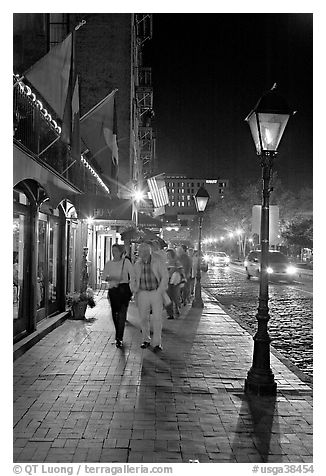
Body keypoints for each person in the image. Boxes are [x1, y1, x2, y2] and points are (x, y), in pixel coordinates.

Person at [134, 242, 169, 352]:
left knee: (157, 318)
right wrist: (134, 289)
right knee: (144, 318)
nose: (141, 254)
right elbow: (134, 278)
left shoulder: (157, 262)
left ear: (148, 252)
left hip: (155, 292)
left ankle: (157, 343)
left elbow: (164, 276)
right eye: (140, 252)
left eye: (143, 252)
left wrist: (160, 291)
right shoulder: (138, 264)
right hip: (143, 292)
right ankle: (146, 339)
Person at [102, 244, 136, 348]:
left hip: (123, 290)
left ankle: (119, 337)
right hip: (113, 291)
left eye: (116, 251)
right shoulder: (109, 264)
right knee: (114, 314)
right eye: (112, 251)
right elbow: (103, 277)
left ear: (121, 252)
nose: (114, 253)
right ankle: (118, 333)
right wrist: (113, 278)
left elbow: (133, 275)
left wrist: (132, 288)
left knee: (122, 313)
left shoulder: (126, 262)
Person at [165, 248, 183, 319]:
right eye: (167, 254)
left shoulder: (176, 262)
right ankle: (170, 314)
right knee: (168, 298)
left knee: (175, 296)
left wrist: (175, 270)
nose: (167, 256)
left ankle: (176, 309)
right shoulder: (165, 262)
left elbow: (181, 270)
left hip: (175, 282)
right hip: (167, 281)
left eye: (168, 254)